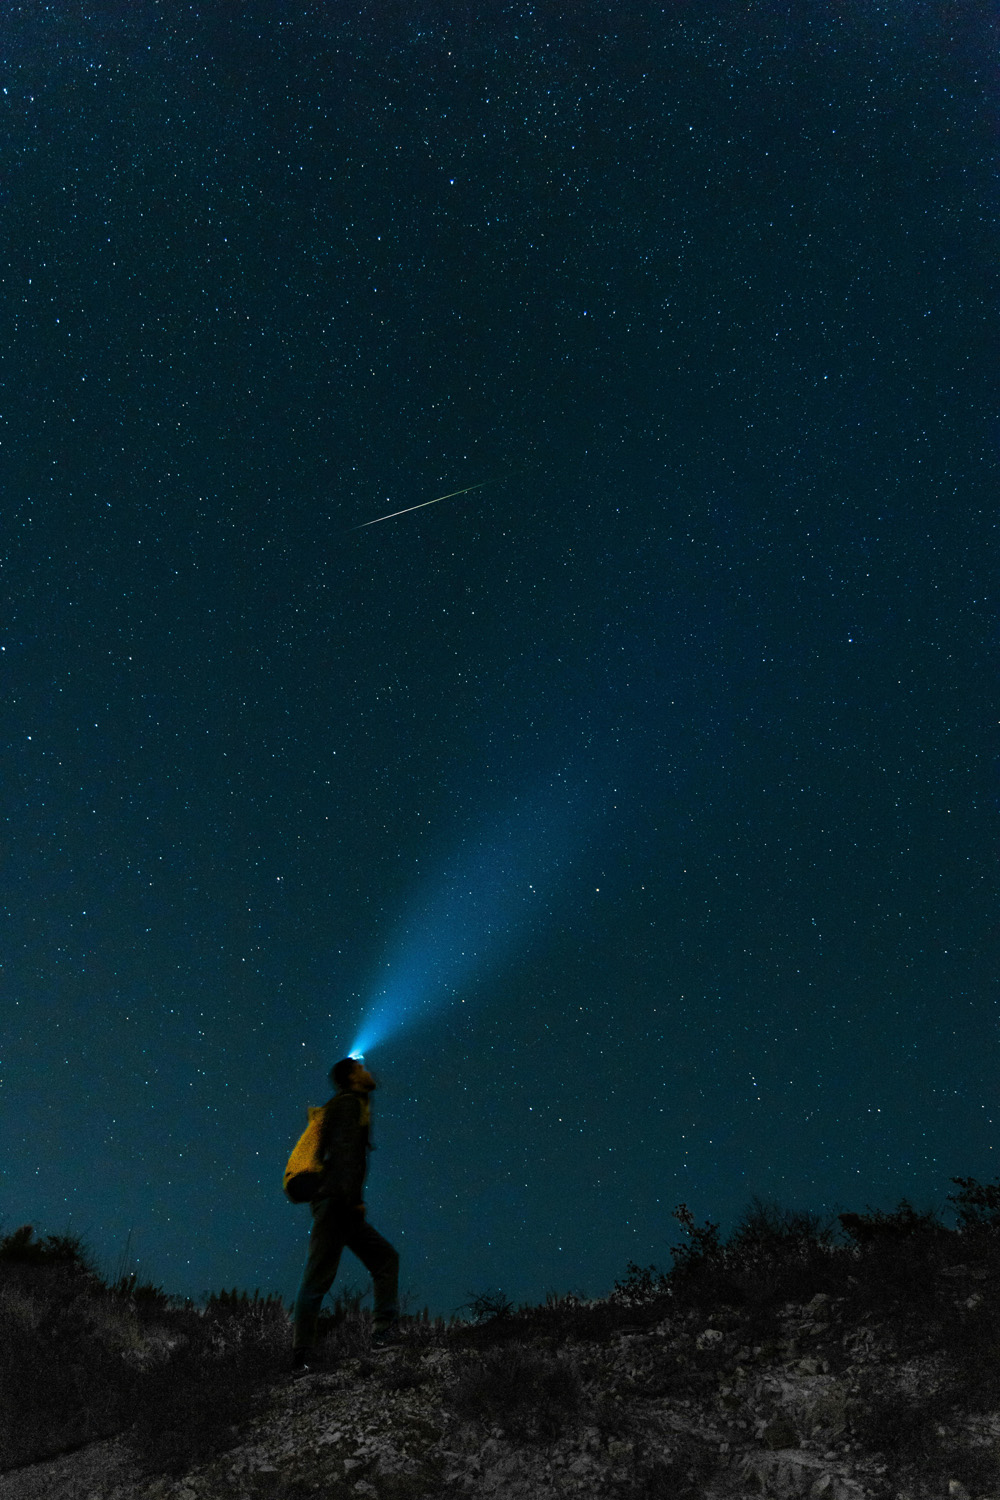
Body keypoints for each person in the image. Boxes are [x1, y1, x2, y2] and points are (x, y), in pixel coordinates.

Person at [291, 1057, 400, 1371]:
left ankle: (383, 1332)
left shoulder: (353, 1105)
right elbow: (345, 1155)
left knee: (385, 1259)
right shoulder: (348, 1105)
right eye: (362, 1069)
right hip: (337, 1204)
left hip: (338, 1203)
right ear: (352, 1078)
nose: (369, 1072)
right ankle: (302, 1357)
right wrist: (353, 1200)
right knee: (317, 1278)